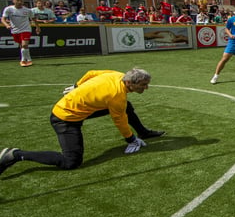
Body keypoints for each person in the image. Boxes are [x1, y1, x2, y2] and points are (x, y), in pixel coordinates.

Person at [0, 69, 164, 175]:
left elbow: (92, 73)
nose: (146, 88)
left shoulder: (116, 75)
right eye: (143, 85)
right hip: (65, 119)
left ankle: (143, 132)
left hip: (77, 109)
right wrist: (130, 139)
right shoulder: (116, 96)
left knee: (126, 107)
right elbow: (119, 120)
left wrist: (76, 85)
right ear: (130, 83)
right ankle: (15, 154)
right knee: (71, 162)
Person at [2, 0, 41, 67]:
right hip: (15, 30)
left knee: (24, 45)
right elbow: (3, 19)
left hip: (26, 29)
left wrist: (37, 27)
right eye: (18, 1)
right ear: (13, 1)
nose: (19, 2)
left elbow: (34, 19)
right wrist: (7, 25)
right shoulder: (8, 9)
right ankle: (29, 59)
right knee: (22, 45)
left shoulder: (28, 10)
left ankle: (23, 60)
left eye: (21, 1)